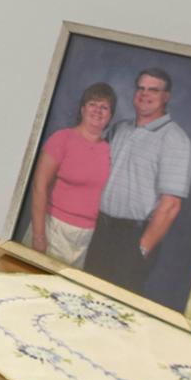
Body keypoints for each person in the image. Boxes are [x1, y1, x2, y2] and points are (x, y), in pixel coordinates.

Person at [81, 67, 191, 294]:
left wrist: (141, 250)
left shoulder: (175, 141)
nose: (145, 94)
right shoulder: (119, 129)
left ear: (166, 97)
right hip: (98, 230)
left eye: (153, 90)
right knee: (85, 295)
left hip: (132, 239)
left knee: (115, 307)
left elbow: (171, 205)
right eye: (141, 88)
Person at [27, 83, 115, 266]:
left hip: (86, 237)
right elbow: (39, 187)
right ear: (82, 109)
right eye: (93, 104)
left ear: (110, 116)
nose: (98, 110)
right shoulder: (62, 139)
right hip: (53, 228)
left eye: (104, 107)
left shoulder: (110, 151)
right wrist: (38, 236)